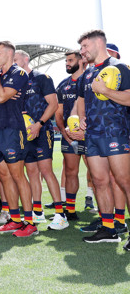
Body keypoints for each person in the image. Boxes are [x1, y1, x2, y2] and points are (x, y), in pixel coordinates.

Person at [70, 30, 130, 245]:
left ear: (98, 44)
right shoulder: (87, 73)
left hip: (116, 132)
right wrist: (81, 118)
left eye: (85, 47)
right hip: (92, 135)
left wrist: (106, 90)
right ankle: (108, 229)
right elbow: (82, 99)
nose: (82, 51)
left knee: (124, 182)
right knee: (99, 181)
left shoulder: (119, 67)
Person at [0, 41, 37, 237]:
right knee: (4, 177)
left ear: (10, 55)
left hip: (12, 130)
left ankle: (30, 223)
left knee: (17, 175)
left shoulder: (18, 73)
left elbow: (2, 98)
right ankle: (14, 219)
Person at [13, 50, 68, 230]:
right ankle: (38, 212)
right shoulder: (15, 83)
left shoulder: (41, 77)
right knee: (32, 172)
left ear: (26, 59)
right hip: (25, 135)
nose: (13, 62)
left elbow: (53, 104)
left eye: (15, 59)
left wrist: (39, 123)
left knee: (46, 171)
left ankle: (61, 215)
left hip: (42, 131)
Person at [55, 51, 88, 222]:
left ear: (82, 61)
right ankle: (71, 209)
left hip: (91, 136)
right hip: (70, 137)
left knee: (99, 174)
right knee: (70, 172)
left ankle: (108, 214)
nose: (67, 63)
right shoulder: (62, 85)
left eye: (70, 60)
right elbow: (58, 113)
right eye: (66, 61)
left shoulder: (91, 80)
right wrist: (65, 134)